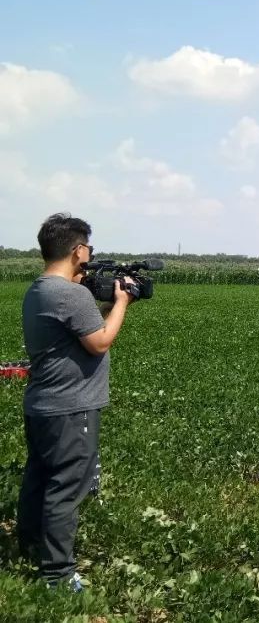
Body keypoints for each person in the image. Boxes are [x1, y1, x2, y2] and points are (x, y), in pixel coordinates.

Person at [17, 213, 134, 591]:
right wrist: (123, 301)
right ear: (77, 250)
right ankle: (58, 574)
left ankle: (29, 544)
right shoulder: (71, 294)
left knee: (40, 477)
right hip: (71, 406)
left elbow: (85, 330)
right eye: (89, 248)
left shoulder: (39, 289)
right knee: (67, 487)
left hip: (42, 404)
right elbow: (100, 341)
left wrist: (104, 305)